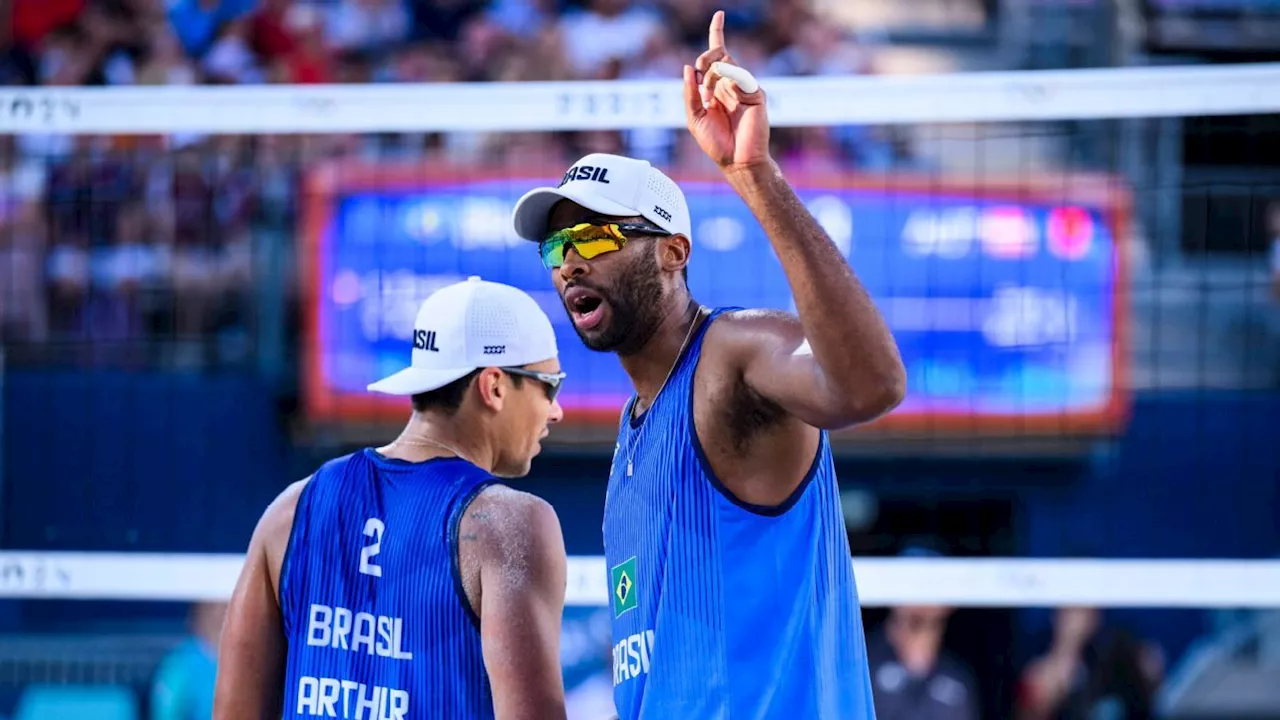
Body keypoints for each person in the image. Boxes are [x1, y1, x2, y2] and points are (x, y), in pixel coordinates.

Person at [510, 10, 905, 719]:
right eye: (557, 247)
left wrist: (753, 174)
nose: (569, 261)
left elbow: (871, 384)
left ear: (672, 252)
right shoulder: (636, 427)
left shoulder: (734, 357)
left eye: (595, 237)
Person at [213, 276, 571, 720]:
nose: (557, 409)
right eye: (549, 385)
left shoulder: (290, 512)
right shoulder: (507, 526)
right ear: (494, 386)